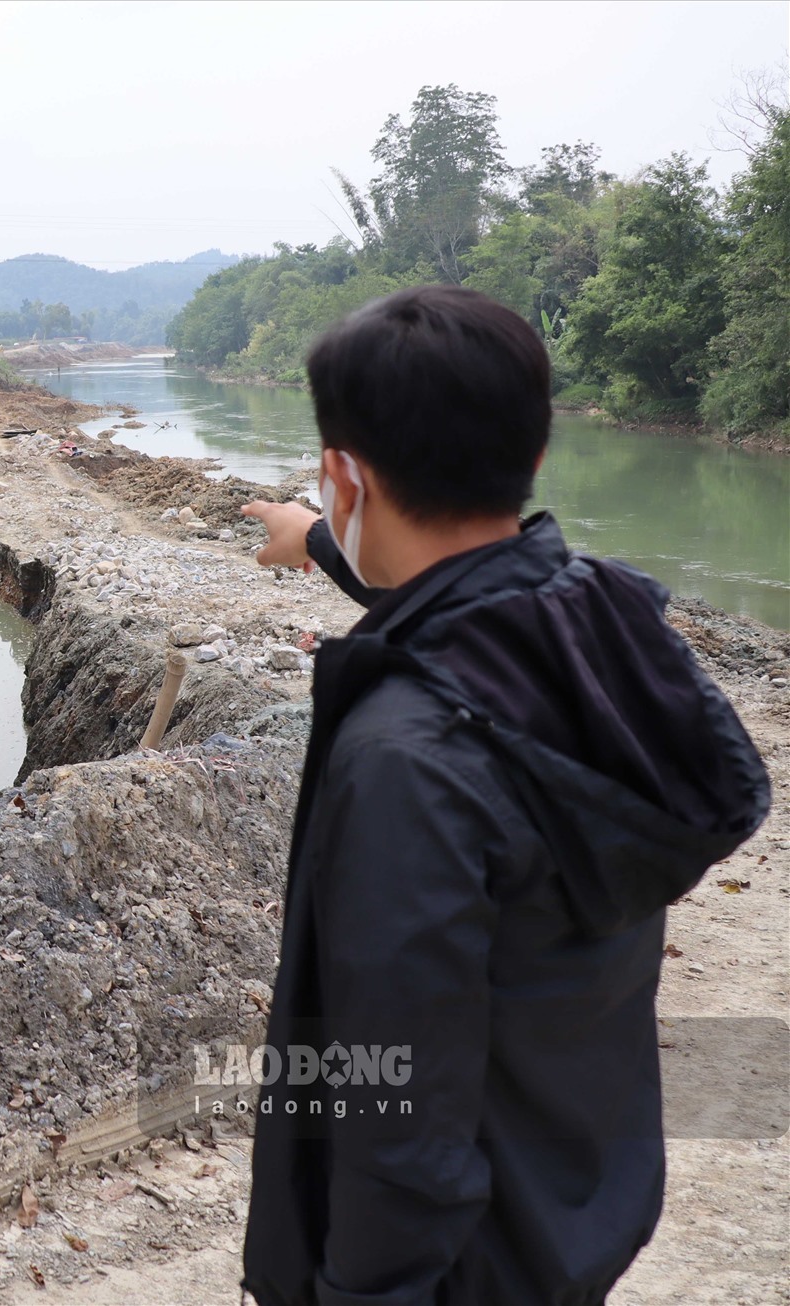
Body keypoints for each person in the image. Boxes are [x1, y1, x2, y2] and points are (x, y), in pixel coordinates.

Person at [234, 285, 770, 1306]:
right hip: (564, 1211)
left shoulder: (408, 761)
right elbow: (476, 597)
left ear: (344, 473)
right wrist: (316, 540)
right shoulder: (607, 630)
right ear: (531, 457)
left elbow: (398, 1103)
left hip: (455, 1271)